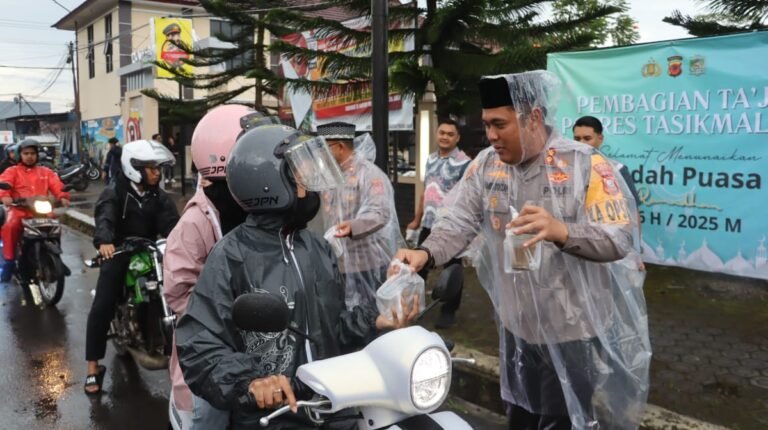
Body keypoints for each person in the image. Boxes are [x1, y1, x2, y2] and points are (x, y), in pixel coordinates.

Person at [393, 71, 651, 430]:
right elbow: (459, 220)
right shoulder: (486, 165)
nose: (491, 136)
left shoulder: (586, 164)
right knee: (520, 415)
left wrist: (562, 231)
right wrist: (425, 254)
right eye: (487, 125)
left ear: (533, 117)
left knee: (562, 422)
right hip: (517, 329)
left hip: (572, 333)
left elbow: (620, 237)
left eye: (500, 124)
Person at [174, 124, 418, 430]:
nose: (309, 182)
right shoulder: (231, 256)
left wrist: (375, 320)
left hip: (332, 407)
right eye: (300, 174)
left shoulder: (317, 248)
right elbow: (200, 343)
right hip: (273, 416)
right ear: (269, 183)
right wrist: (250, 383)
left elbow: (331, 329)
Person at [163, 105, 279, 429]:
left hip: (259, 350)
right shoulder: (194, 223)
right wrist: (229, 316)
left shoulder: (256, 210)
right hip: (210, 359)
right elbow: (179, 292)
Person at [84, 139, 180, 395]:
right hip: (119, 250)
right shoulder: (115, 192)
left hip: (150, 249)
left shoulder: (158, 195)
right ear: (133, 167)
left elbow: (172, 223)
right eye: (150, 168)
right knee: (103, 303)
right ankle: (93, 367)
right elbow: (105, 216)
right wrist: (104, 241)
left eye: (157, 168)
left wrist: (180, 239)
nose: (156, 172)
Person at [317, 121, 402, 309]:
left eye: (323, 147)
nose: (321, 154)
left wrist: (353, 227)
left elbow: (380, 212)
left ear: (339, 147)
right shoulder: (330, 175)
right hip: (338, 262)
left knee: (370, 316)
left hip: (367, 263)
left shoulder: (369, 174)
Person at [406, 118, 472, 328]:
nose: (444, 137)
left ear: (457, 138)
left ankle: (448, 310)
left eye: (450, 134)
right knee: (420, 265)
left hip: (452, 227)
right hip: (429, 222)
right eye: (441, 132)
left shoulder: (465, 163)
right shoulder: (430, 160)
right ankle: (415, 305)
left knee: (452, 269)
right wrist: (417, 219)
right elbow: (426, 191)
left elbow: (468, 198)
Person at [0, 139, 70, 281]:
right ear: (20, 155)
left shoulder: (46, 171)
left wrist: (63, 196)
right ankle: (9, 260)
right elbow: (4, 184)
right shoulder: (12, 171)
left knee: (55, 225)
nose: (30, 156)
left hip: (41, 210)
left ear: (37, 155)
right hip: (19, 210)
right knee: (10, 226)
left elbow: (57, 185)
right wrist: (5, 196)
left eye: (32, 153)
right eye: (26, 153)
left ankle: (55, 257)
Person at [572, 115, 640, 204]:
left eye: (587, 138)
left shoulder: (617, 169)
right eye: (577, 139)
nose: (581, 143)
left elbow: (633, 208)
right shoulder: (567, 168)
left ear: (600, 139)